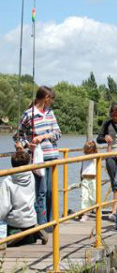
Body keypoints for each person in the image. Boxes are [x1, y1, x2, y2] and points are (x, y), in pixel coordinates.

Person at [13, 86, 61, 226]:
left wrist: (44, 136)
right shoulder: (29, 114)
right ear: (46, 98)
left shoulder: (50, 113)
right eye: (51, 99)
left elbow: (57, 133)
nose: (51, 102)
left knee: (51, 192)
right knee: (41, 192)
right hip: (38, 159)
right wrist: (27, 145)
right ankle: (42, 224)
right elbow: (18, 137)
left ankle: (51, 223)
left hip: (52, 157)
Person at [0, 151, 48, 248]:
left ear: (12, 164)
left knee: (3, 226)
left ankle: (11, 238)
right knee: (27, 228)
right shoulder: (31, 176)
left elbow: (4, 207)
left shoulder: (7, 181)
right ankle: (34, 230)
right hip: (31, 218)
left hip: (15, 222)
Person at [79, 141, 98, 222]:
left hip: (93, 179)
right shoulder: (84, 158)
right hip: (85, 179)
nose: (88, 153)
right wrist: (80, 177)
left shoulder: (95, 157)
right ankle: (85, 214)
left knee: (93, 197)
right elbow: (82, 168)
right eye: (86, 151)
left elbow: (104, 156)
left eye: (89, 151)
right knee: (84, 196)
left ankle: (97, 210)